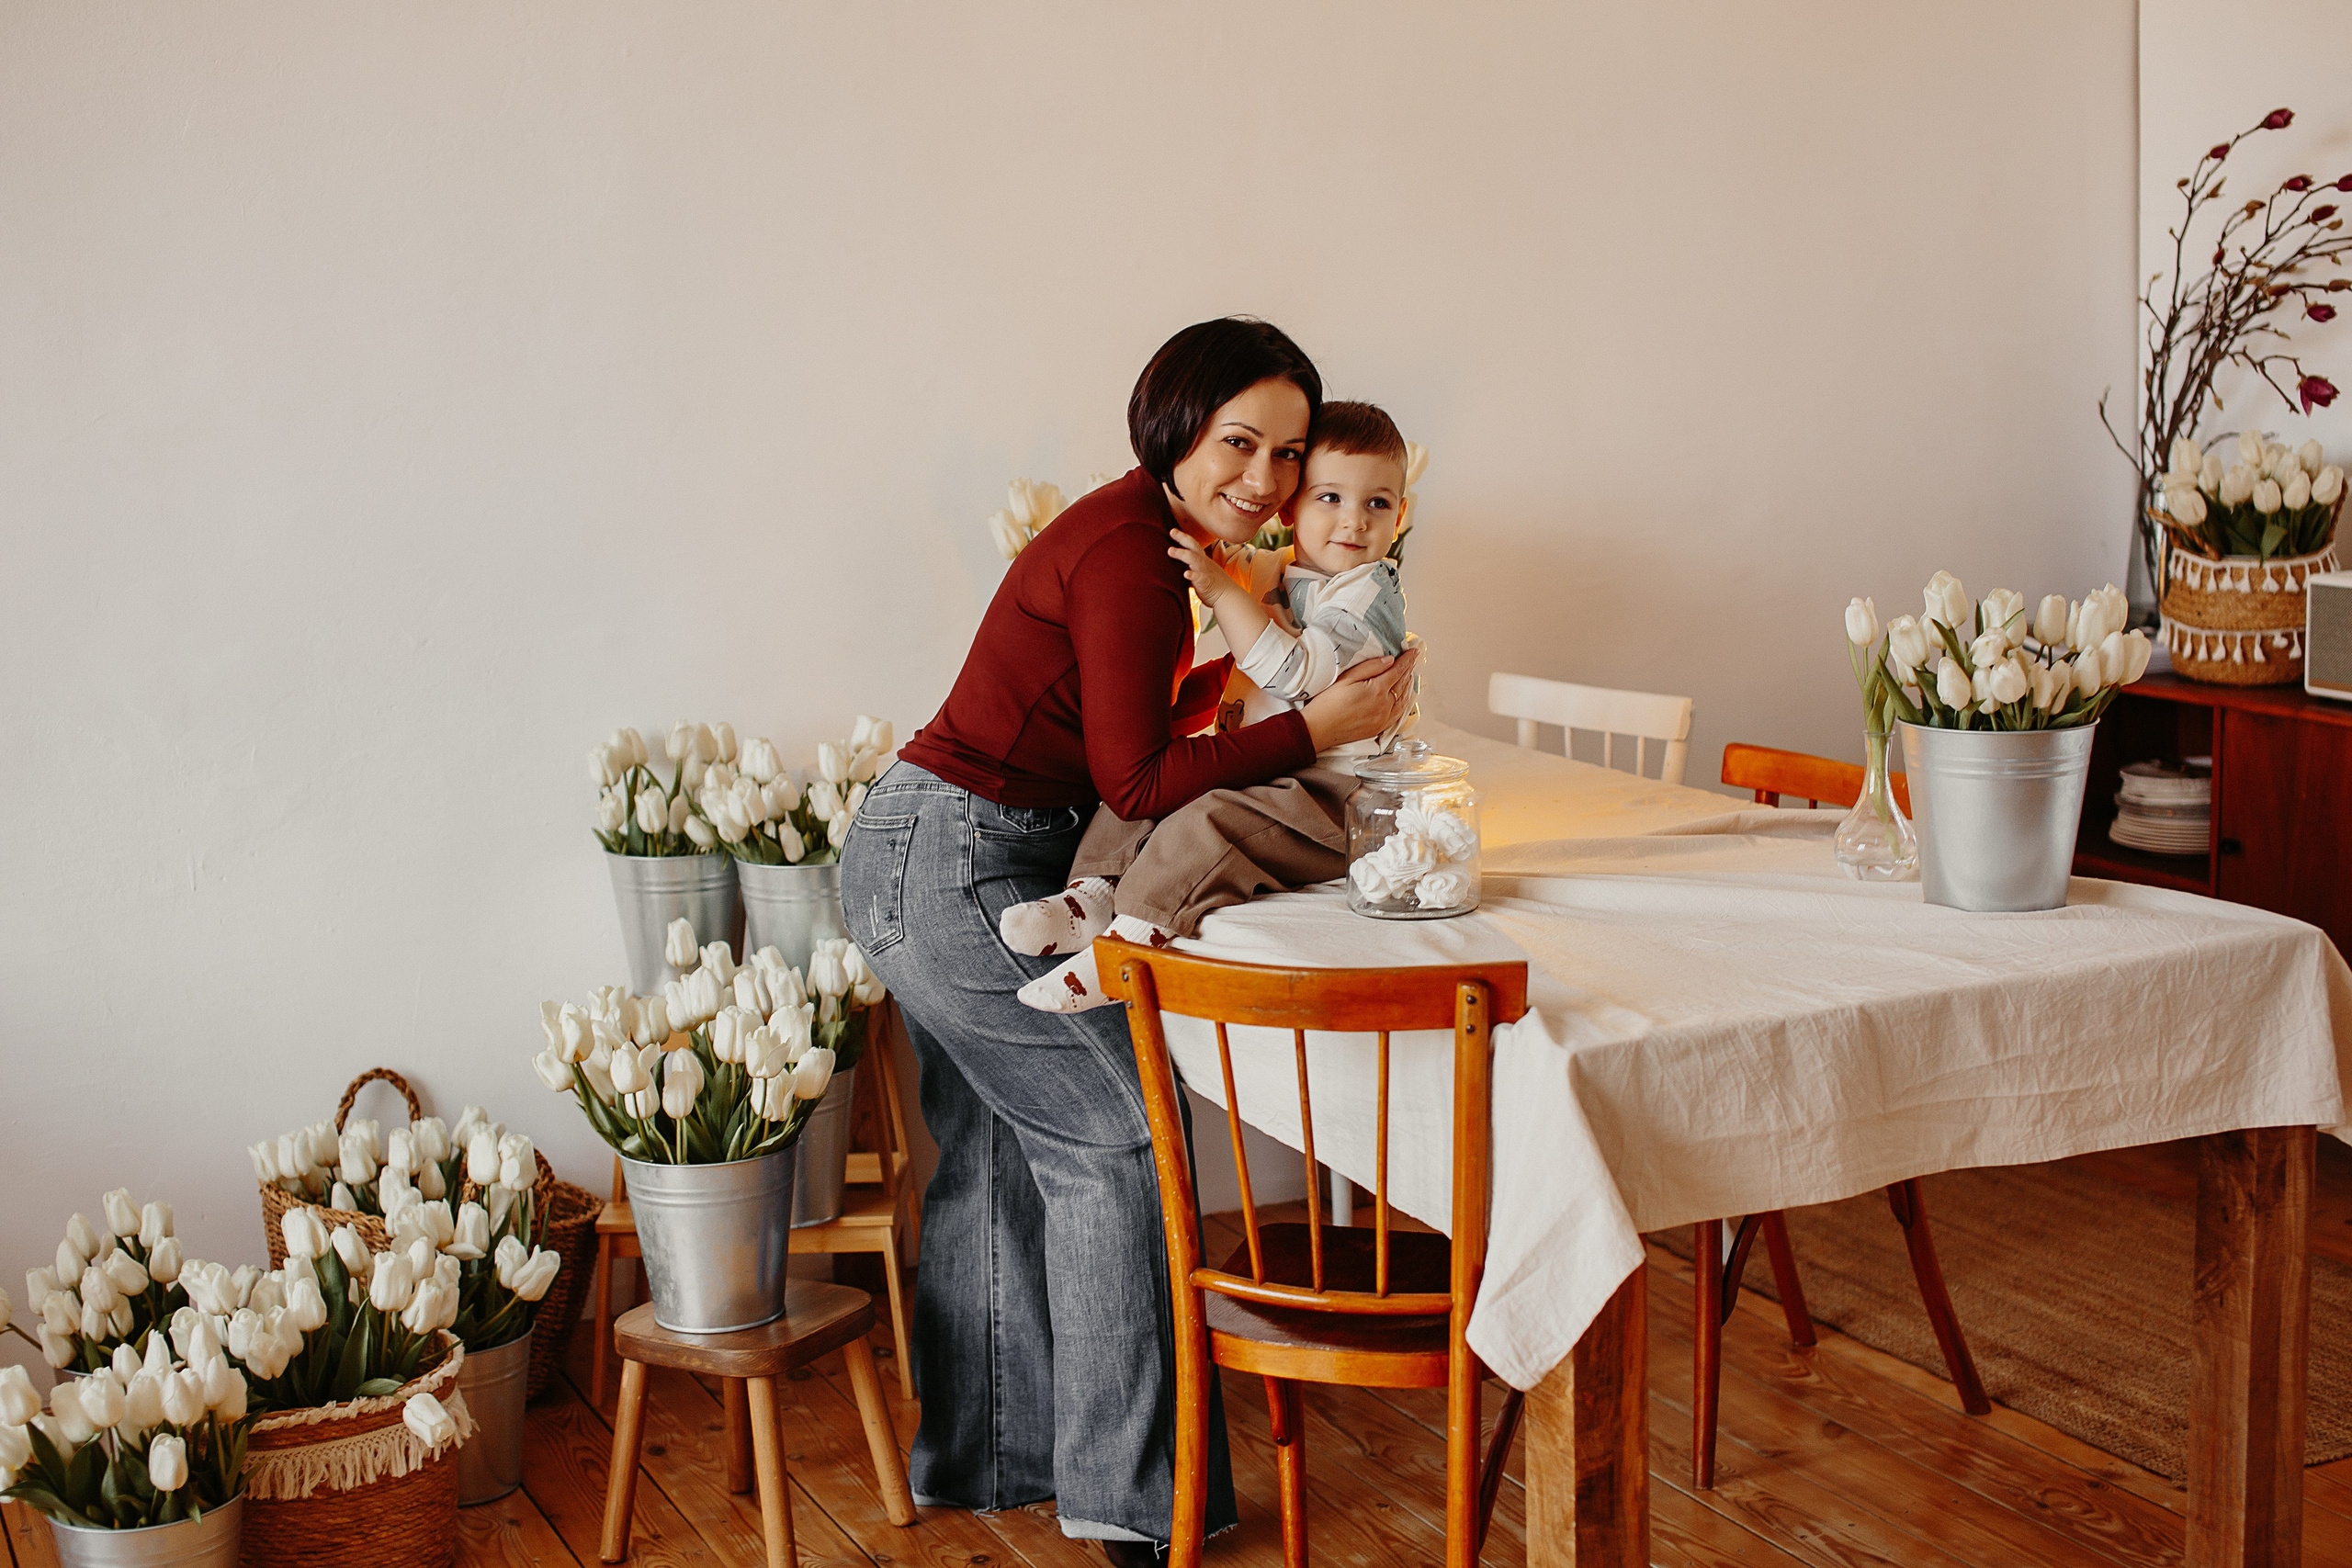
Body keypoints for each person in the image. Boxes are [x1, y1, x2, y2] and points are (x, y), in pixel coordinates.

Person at [839, 318, 1419, 1563]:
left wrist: (1257, 684)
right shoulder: (1128, 554)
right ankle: (1135, 1511)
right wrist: (1315, 725)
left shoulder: (1161, 543)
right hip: (949, 862)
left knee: (1002, 1145)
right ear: (1176, 429)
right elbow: (1142, 776)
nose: (1264, 481)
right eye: (1238, 443)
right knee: (1117, 1136)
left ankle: (995, 1458)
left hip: (958, 850)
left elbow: (1125, 739)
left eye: (1287, 453)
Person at [1001, 400, 1419, 1012]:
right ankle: (1092, 892)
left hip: (1334, 800)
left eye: (1377, 503)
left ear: (1400, 514)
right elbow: (1239, 569)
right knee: (1170, 773)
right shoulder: (1284, 568)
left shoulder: (1367, 597)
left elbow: (1295, 669)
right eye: (1330, 497)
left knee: (1211, 819)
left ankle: (1134, 944)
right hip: (1274, 770)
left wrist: (1222, 592)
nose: (1353, 521)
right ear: (1291, 504)